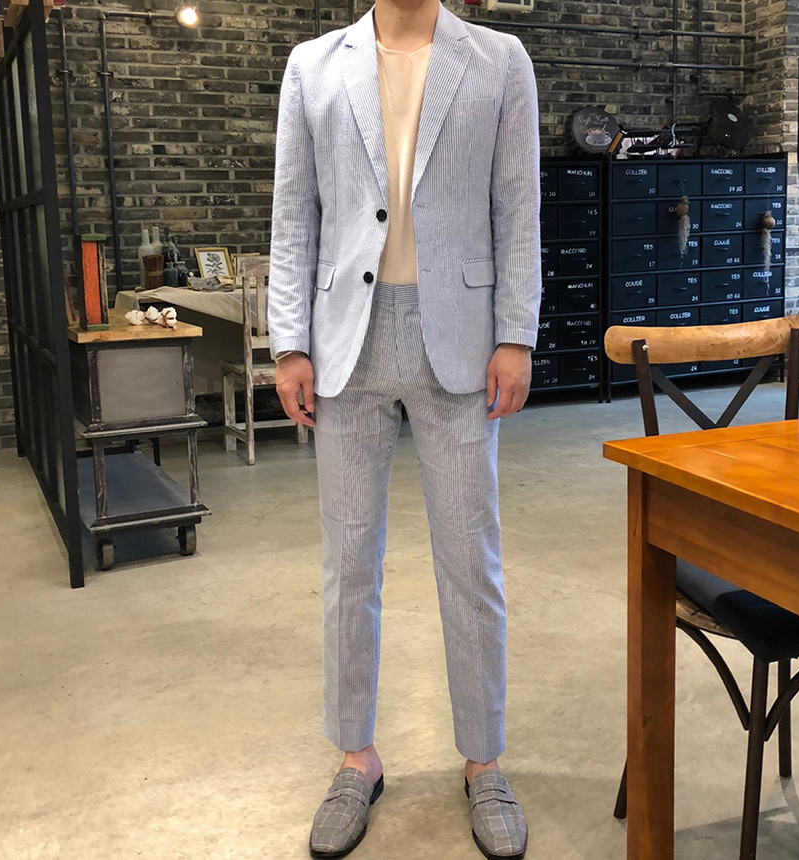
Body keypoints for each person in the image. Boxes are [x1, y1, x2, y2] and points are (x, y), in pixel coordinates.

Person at [269, 1, 540, 857]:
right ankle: (356, 755)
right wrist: (287, 344)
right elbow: (294, 213)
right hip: (343, 342)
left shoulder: (500, 61)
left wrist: (516, 333)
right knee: (348, 562)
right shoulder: (313, 66)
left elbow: (517, 207)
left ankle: (484, 758)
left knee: (471, 559)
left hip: (459, 338)